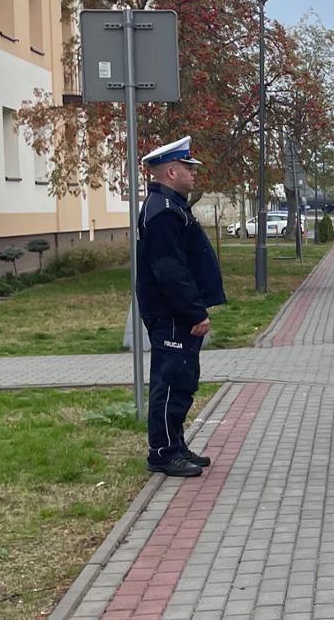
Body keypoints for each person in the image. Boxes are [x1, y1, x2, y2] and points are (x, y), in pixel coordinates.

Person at [135, 137, 227, 478]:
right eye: (188, 168)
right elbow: (169, 270)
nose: (194, 173)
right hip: (172, 314)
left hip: (177, 312)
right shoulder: (163, 212)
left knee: (182, 381)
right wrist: (194, 312)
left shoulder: (171, 206)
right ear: (171, 172)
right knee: (171, 382)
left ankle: (175, 444)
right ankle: (162, 452)